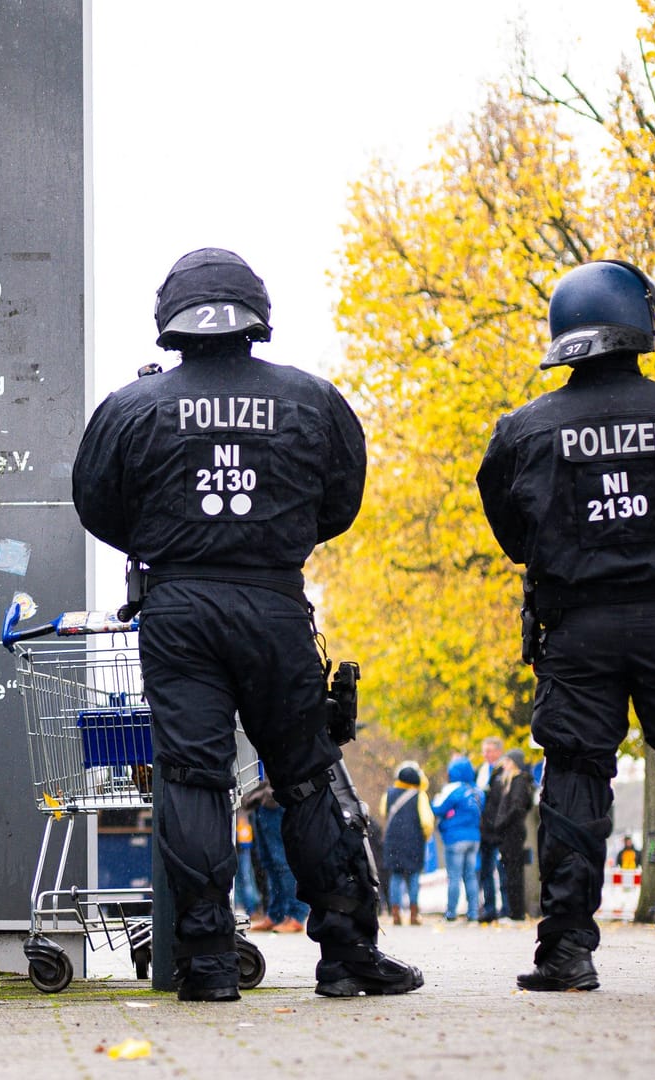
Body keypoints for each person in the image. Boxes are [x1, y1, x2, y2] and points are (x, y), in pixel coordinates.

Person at [73, 248, 419, 1002]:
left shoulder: (133, 408)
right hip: (273, 603)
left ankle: (205, 960)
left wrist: (169, 539)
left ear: (171, 320)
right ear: (256, 314)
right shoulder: (312, 400)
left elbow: (97, 505)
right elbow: (341, 501)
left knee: (194, 778)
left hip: (179, 606)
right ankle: (348, 951)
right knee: (305, 775)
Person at [477, 259, 655, 990]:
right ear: (638, 322)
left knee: (574, 778)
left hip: (576, 630)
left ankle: (568, 951)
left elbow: (513, 536)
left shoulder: (523, 432)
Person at [241, 777, 306, 934]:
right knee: (268, 861)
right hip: (262, 801)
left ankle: (296, 914)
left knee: (283, 861)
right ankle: (276, 914)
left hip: (279, 799)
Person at [379, 763, 434, 926]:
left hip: (393, 840)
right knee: (413, 875)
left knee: (395, 876)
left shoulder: (388, 794)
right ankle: (414, 914)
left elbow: (384, 812)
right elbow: (427, 821)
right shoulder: (420, 795)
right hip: (413, 840)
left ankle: (395, 913)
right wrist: (426, 836)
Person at [485, 750, 534, 922]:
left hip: (513, 832)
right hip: (509, 831)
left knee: (514, 873)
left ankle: (516, 913)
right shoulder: (511, 781)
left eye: (506, 761)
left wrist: (501, 822)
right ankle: (514, 911)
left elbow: (517, 807)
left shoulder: (518, 782)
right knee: (511, 872)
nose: (503, 765)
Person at [433, 757, 484, 921]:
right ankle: (473, 913)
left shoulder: (453, 788)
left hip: (455, 838)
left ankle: (451, 913)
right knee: (470, 876)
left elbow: (438, 808)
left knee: (454, 876)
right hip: (474, 837)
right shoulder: (478, 791)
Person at [474, 736, 505, 923]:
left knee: (501, 871)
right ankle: (490, 907)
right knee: (485, 871)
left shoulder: (503, 771)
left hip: (498, 829)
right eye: (485, 751)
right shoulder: (481, 771)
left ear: (499, 752)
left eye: (491, 750)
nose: (487, 754)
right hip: (484, 830)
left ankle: (505, 907)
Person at [232, 810, 260, 917]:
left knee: (245, 877)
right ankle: (247, 908)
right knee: (244, 877)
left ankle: (251, 909)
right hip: (238, 842)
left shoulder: (242, 812)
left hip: (240, 842)